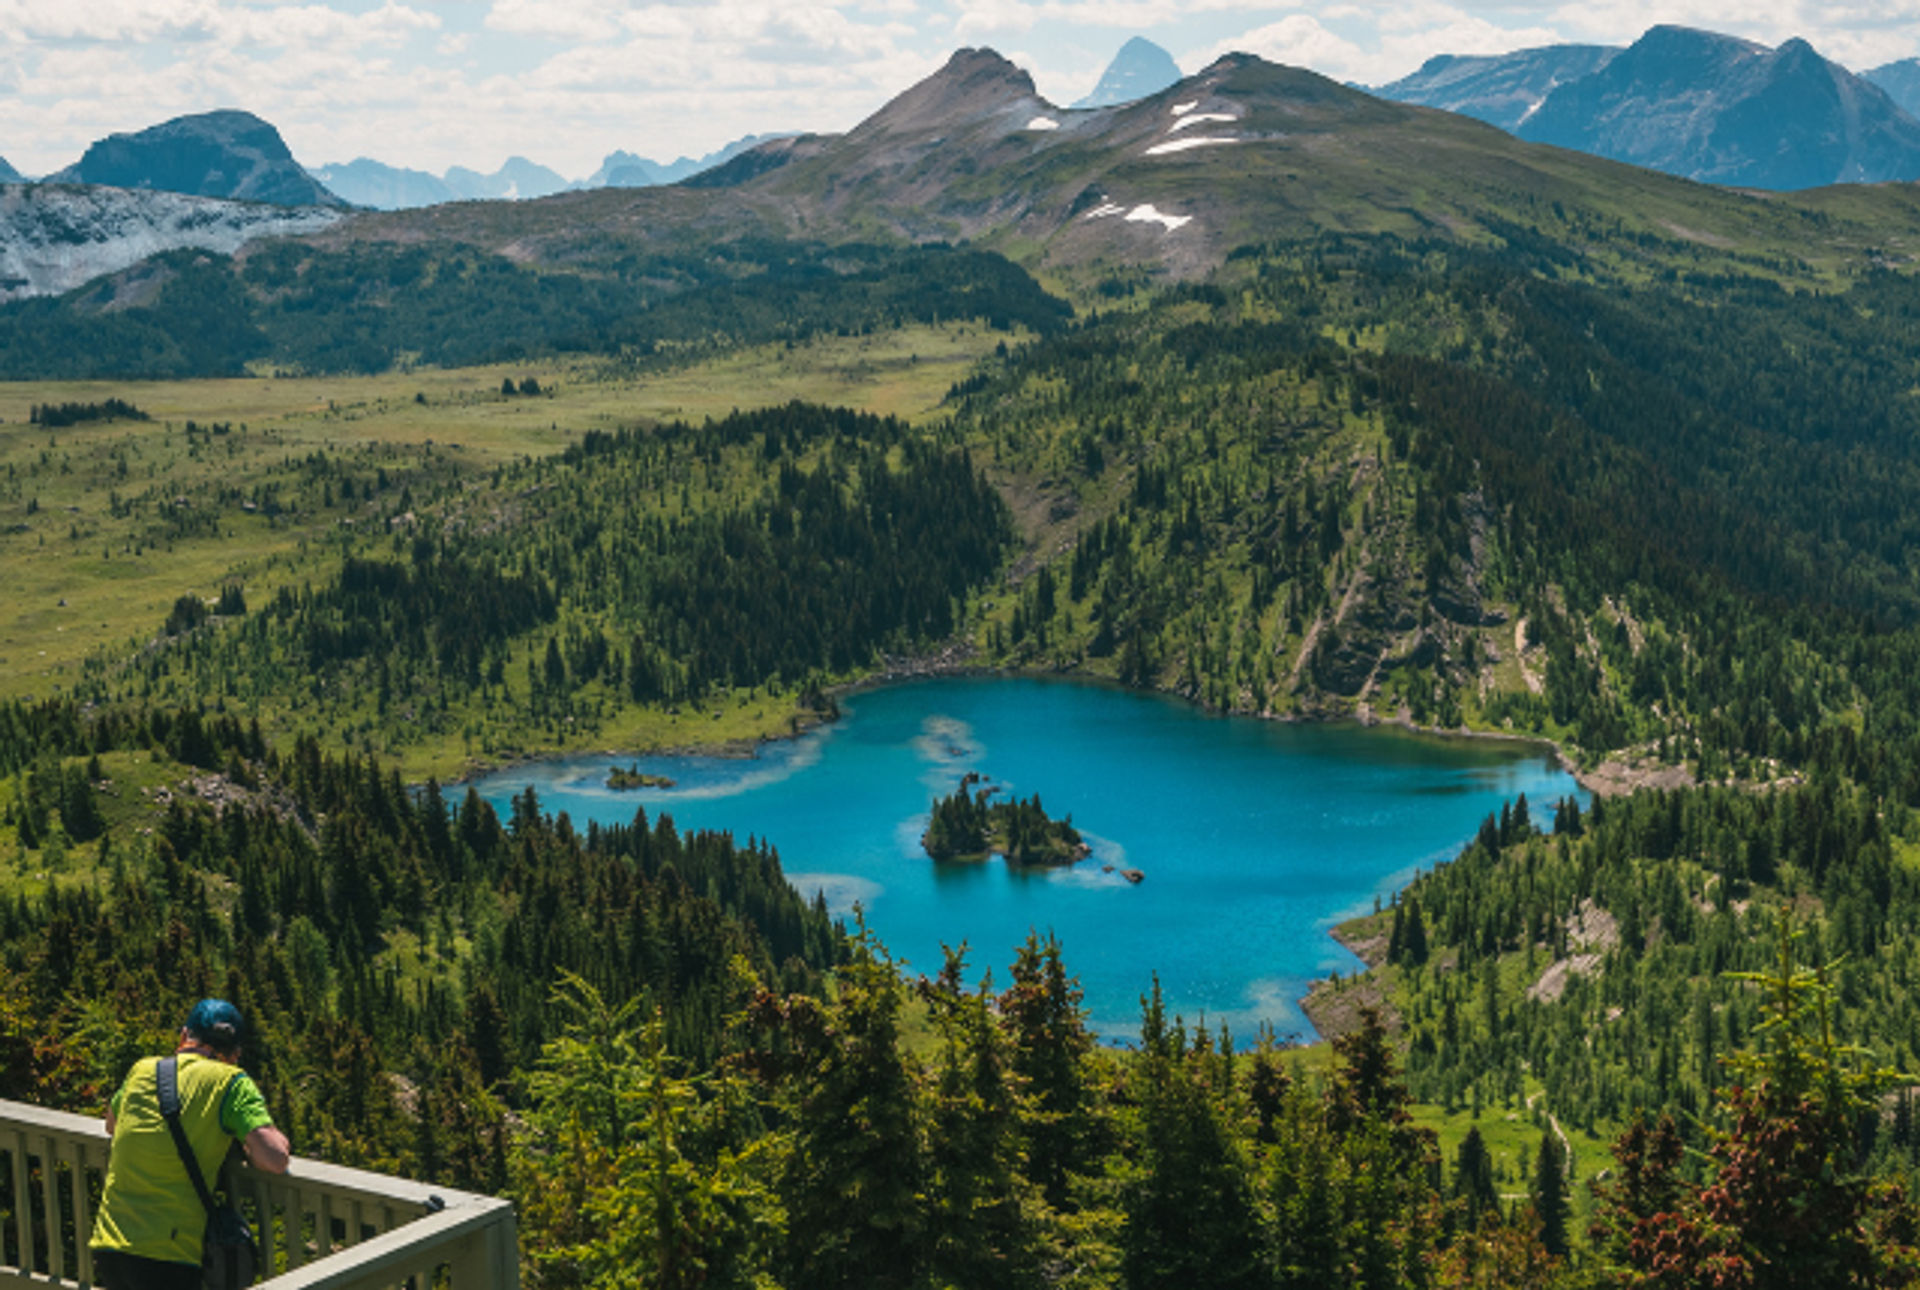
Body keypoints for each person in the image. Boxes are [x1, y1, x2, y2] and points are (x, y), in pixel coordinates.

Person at [88, 999, 293, 1290]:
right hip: (170, 1253)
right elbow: (274, 1158)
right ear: (234, 1054)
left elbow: (112, 1124)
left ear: (185, 1036)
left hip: (110, 1243)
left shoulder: (142, 1069)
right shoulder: (231, 1081)